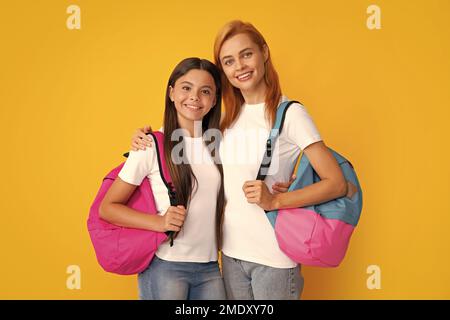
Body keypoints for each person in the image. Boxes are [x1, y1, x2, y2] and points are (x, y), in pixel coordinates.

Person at [131, 20, 348, 300]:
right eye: (229, 61)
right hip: (229, 256)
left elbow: (336, 183)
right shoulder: (225, 118)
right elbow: (184, 139)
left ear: (264, 53)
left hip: (274, 257)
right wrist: (146, 136)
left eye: (247, 54)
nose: (240, 67)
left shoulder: (290, 114)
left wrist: (277, 200)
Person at [99, 57, 227, 300]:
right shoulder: (151, 145)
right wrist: (159, 223)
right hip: (166, 267)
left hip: (211, 267)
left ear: (213, 100)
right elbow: (108, 208)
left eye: (205, 91)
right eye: (186, 88)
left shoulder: (221, 146)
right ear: (171, 93)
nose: (194, 97)